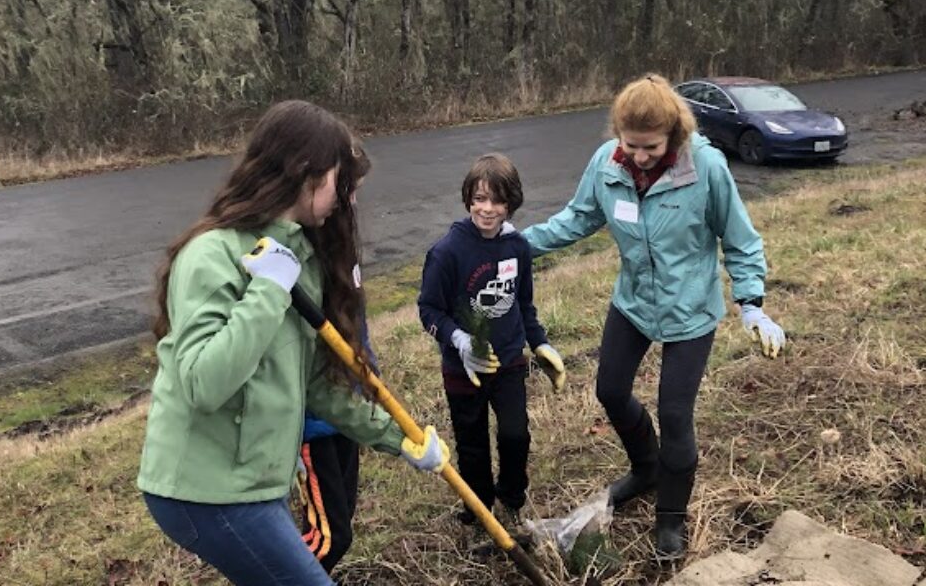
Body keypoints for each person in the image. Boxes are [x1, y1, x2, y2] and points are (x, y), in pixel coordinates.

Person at [138, 100, 449, 586]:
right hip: (202, 489)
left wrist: (399, 438)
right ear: (308, 175)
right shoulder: (211, 255)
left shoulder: (299, 254)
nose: (344, 199)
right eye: (337, 182)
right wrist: (267, 291)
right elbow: (203, 382)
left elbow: (317, 385)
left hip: (254, 482)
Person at [521, 74, 785, 559]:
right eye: (631, 145)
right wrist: (518, 245)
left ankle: (671, 520)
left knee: (675, 413)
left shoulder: (705, 168)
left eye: (651, 146)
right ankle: (646, 469)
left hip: (691, 310)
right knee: (610, 391)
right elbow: (578, 218)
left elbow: (741, 239)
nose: (640, 156)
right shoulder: (607, 164)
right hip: (634, 302)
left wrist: (752, 305)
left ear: (675, 136)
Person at [418, 153, 566, 526]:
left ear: (510, 203)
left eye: (497, 200)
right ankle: (479, 507)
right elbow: (429, 310)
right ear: (468, 197)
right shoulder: (446, 252)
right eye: (480, 198)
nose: (487, 209)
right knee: (472, 445)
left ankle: (512, 497)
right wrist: (461, 341)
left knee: (516, 435)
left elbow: (523, 303)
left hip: (509, 362)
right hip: (463, 369)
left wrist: (541, 343)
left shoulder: (517, 248)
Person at [297, 143, 377, 573]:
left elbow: (355, 325)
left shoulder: (341, 241)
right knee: (331, 535)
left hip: (348, 404)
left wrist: (371, 379)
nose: (354, 201)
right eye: (348, 190)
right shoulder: (304, 252)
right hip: (315, 418)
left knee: (342, 513)